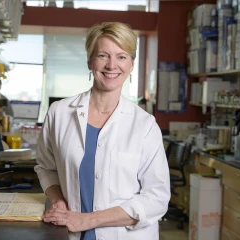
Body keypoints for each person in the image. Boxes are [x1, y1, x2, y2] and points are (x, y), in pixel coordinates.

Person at [34, 22, 170, 240]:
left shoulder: (145, 125)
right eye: (103, 56)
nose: (111, 65)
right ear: (90, 61)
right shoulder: (59, 113)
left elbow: (156, 198)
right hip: (68, 233)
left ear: (132, 64)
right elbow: (46, 167)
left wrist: (88, 220)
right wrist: (58, 200)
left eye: (121, 57)